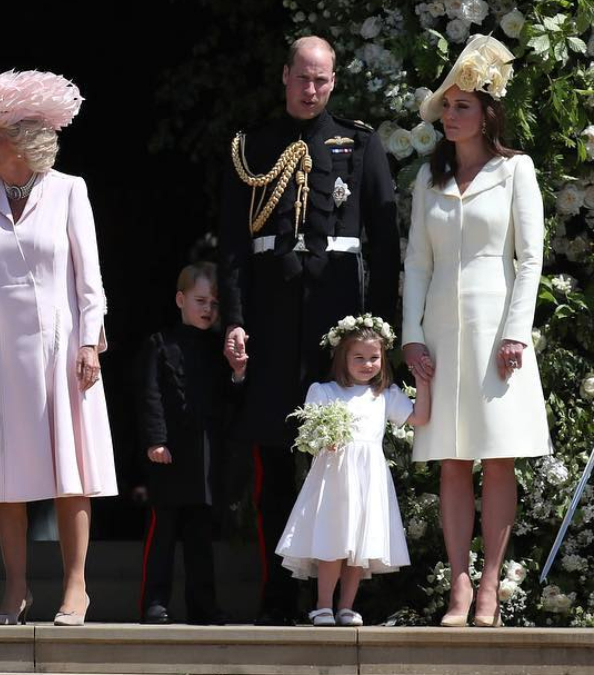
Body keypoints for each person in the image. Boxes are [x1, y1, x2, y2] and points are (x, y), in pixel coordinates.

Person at [216, 35, 402, 624]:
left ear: (334, 81)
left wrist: (379, 331)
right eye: (303, 78)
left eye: (322, 80)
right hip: (271, 321)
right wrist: (236, 320)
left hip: (338, 322)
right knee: (273, 462)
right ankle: (277, 593)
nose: (312, 89)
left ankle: (341, 598)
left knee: (343, 463)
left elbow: (385, 243)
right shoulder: (253, 146)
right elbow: (233, 246)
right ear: (285, 76)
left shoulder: (362, 144)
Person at [0, 70, 116, 627]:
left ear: (22, 139)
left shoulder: (70, 189)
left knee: (71, 471)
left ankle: (75, 587)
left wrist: (90, 343)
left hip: (61, 348)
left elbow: (91, 281)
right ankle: (15, 589)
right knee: (2, 477)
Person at [402, 34, 551, 628]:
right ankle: (458, 588)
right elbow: (417, 262)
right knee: (450, 462)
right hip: (440, 328)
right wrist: (410, 333)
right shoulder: (426, 180)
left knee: (496, 459)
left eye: (463, 106)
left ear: (488, 112)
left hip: (497, 332)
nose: (451, 116)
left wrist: (516, 331)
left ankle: (490, 586)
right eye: (446, 107)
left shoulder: (516, 170)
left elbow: (532, 255)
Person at [275, 315, 432, 626]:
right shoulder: (323, 391)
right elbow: (309, 432)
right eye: (358, 357)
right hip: (335, 476)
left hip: (368, 478)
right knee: (333, 541)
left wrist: (423, 382)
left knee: (359, 544)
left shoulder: (384, 395)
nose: (367, 364)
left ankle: (346, 606)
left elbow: (421, 418)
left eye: (374, 358)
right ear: (342, 358)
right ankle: (322, 605)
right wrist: (325, 442)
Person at [136, 263, 243, 625]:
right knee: (163, 534)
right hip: (169, 455)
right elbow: (150, 396)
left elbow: (230, 399)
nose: (207, 309)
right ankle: (154, 602)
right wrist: (156, 440)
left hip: (205, 457)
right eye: (200, 300)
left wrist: (238, 371)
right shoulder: (159, 343)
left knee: (200, 537)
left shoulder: (217, 348)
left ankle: (203, 606)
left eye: (214, 303)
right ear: (181, 299)